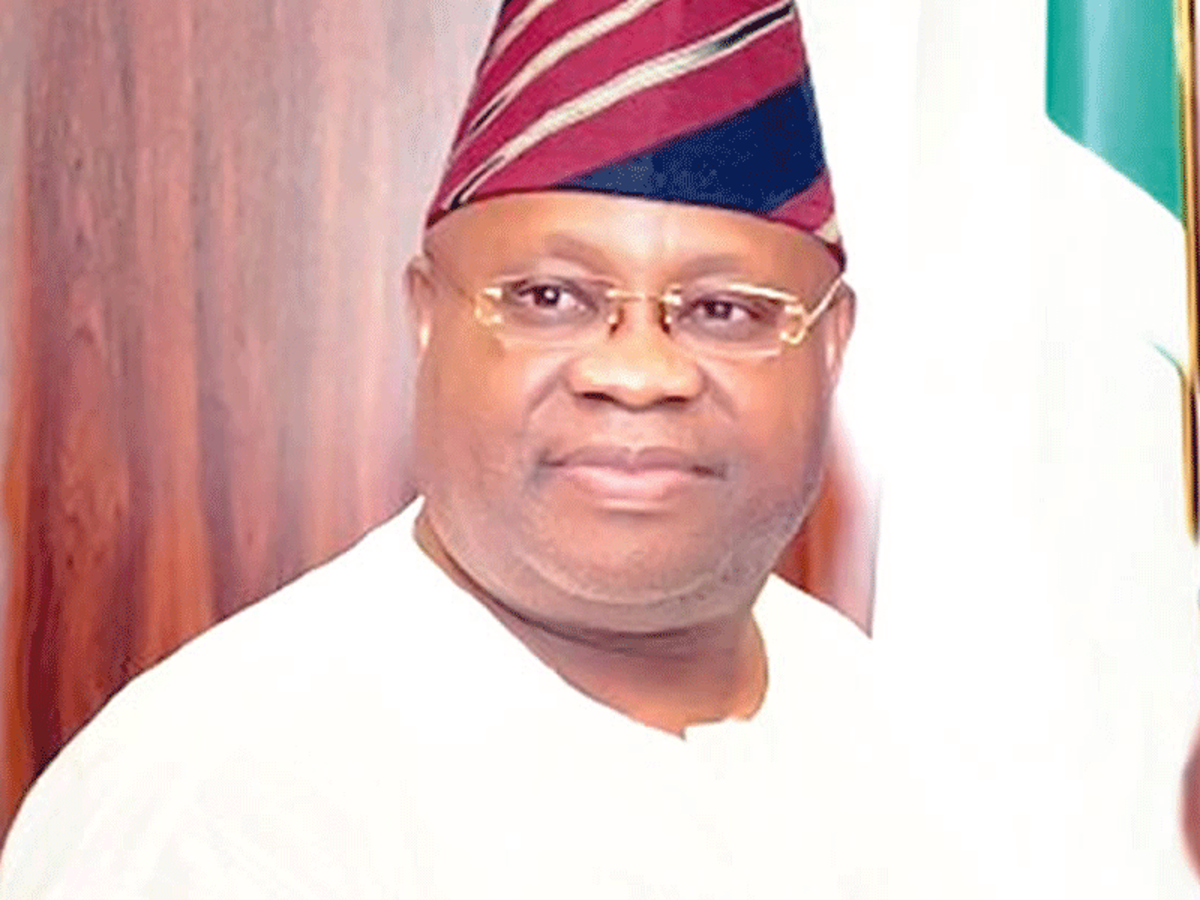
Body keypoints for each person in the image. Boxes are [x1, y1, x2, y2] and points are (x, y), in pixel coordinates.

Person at [0, 1, 987, 896]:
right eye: (549, 297)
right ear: (428, 316)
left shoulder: (884, 723)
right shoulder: (220, 803)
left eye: (724, 309)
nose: (637, 372)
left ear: (831, 345)